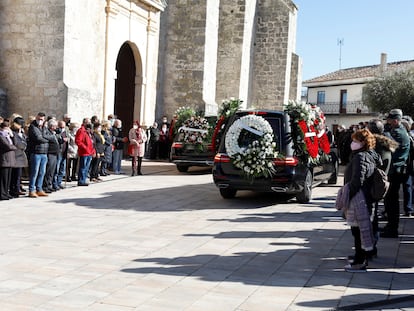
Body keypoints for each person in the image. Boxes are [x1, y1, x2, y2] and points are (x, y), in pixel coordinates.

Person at [343, 128, 380, 272]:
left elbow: (357, 180)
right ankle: (360, 257)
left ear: (363, 142)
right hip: (366, 197)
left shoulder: (361, 157)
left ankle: (360, 261)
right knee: (362, 229)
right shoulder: (371, 155)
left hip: (360, 198)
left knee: (358, 231)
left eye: (355, 141)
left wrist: (347, 194)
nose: (353, 143)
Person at [381, 109, 411, 238]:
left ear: (396, 120)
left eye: (389, 120)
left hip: (396, 171)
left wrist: (383, 133)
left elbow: (390, 144)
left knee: (392, 201)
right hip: (394, 170)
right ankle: (390, 225)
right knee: (389, 200)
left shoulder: (399, 133)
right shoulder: (396, 131)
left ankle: (393, 228)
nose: (388, 122)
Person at [27, 112, 49, 198]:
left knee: (42, 172)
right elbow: (38, 138)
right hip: (36, 152)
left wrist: (45, 136)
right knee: (34, 172)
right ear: (36, 118)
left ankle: (39, 189)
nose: (40, 121)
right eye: (39, 119)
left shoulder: (44, 128)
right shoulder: (33, 127)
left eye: (42, 119)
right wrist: (46, 139)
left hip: (44, 152)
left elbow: (49, 136)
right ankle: (31, 190)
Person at [9, 117, 28, 197]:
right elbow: (18, 144)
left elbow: (25, 142)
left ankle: (17, 189)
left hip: (20, 156)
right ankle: (14, 190)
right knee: (15, 175)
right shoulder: (13, 133)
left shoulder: (20, 133)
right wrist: (23, 144)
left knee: (18, 175)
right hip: (16, 156)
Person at [0, 120, 17, 200]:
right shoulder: (1, 136)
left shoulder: (8, 136)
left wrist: (12, 136)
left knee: (8, 178)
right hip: (4, 160)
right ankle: (2, 193)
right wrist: (14, 147)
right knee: (3, 178)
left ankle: (6, 193)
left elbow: (15, 143)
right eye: (6, 128)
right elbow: (8, 146)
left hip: (10, 160)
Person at [75, 118, 95, 186]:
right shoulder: (81, 131)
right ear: (84, 123)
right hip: (84, 152)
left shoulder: (87, 131)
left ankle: (84, 179)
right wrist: (85, 148)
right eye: (88, 122)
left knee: (86, 167)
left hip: (89, 152)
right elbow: (78, 141)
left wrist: (92, 151)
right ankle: (81, 180)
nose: (89, 123)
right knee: (83, 167)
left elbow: (91, 141)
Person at [43, 118, 60, 193]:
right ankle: (46, 186)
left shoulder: (54, 133)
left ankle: (50, 185)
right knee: (48, 170)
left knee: (52, 171)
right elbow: (45, 137)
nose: (56, 127)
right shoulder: (48, 132)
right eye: (55, 126)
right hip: (50, 153)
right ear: (51, 126)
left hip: (55, 153)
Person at [53, 120, 68, 190]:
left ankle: (59, 182)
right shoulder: (56, 133)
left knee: (62, 169)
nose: (62, 128)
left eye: (63, 127)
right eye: (60, 127)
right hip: (58, 152)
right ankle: (55, 183)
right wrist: (62, 139)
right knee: (57, 168)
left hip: (64, 152)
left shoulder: (66, 132)